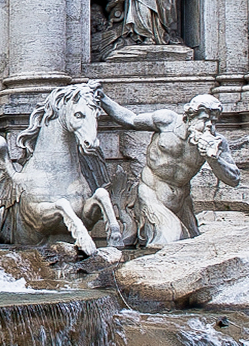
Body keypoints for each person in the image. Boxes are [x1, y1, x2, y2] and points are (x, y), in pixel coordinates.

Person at [101, 93, 241, 246]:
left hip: (182, 202)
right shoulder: (167, 121)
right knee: (170, 240)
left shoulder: (217, 143)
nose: (209, 125)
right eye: (204, 119)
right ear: (189, 116)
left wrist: (214, 158)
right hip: (151, 193)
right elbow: (130, 119)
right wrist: (103, 99)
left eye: (213, 121)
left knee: (190, 244)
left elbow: (233, 179)